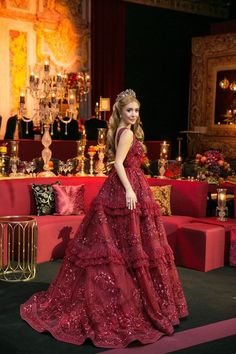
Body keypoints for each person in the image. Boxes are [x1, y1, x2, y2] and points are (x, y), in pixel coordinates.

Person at [20, 89, 188, 348]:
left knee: (123, 244)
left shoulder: (121, 131)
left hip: (124, 186)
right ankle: (129, 300)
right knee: (128, 244)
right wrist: (131, 189)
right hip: (127, 187)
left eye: (136, 111)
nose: (133, 115)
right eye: (129, 110)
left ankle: (125, 293)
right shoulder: (127, 133)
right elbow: (119, 164)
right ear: (120, 111)